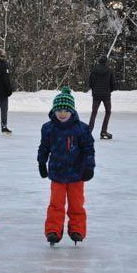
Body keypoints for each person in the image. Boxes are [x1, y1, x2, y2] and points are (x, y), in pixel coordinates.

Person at [37, 87, 95, 245]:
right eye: (59, 110)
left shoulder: (81, 129)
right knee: (56, 205)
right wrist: (41, 162)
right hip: (57, 174)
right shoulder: (48, 128)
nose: (62, 114)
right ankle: (53, 230)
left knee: (76, 204)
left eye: (66, 110)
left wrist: (89, 167)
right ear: (54, 110)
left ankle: (77, 229)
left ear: (72, 111)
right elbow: (44, 147)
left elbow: (89, 149)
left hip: (77, 174)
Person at [88, 55, 115, 139]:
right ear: (106, 62)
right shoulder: (109, 71)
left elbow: (90, 83)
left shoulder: (93, 70)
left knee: (94, 112)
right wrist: (109, 90)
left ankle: (89, 131)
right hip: (106, 95)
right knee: (108, 112)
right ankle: (103, 131)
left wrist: (95, 89)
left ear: (99, 61)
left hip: (96, 94)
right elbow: (113, 84)